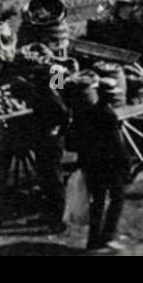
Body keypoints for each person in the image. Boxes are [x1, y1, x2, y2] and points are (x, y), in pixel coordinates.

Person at [66, 79, 130, 252]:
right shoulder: (109, 115)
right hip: (110, 166)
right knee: (118, 198)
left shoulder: (84, 114)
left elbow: (73, 142)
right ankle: (107, 237)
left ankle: (93, 242)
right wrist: (126, 165)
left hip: (91, 165)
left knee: (97, 203)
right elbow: (117, 146)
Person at [22, 65, 71, 231]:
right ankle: (47, 215)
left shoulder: (50, 97)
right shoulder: (45, 93)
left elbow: (65, 115)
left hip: (51, 143)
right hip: (43, 141)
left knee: (53, 179)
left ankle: (58, 220)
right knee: (44, 177)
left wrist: (57, 130)